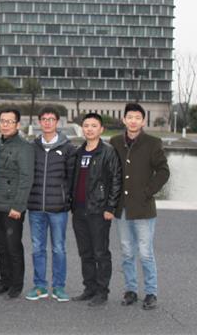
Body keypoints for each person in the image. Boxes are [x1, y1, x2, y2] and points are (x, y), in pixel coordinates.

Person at [110, 103, 169, 310]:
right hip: (122, 207)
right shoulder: (115, 142)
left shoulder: (153, 143)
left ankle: (151, 292)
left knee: (145, 253)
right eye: (130, 117)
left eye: (137, 117)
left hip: (143, 207)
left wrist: (147, 192)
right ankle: (131, 290)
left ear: (143, 121)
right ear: (124, 119)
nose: (133, 121)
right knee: (127, 252)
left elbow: (163, 172)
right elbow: (111, 171)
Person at [69, 113, 121, 306]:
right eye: (86, 125)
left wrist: (110, 207)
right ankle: (89, 288)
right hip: (79, 209)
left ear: (101, 129)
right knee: (85, 252)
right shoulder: (78, 152)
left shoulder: (108, 152)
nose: (89, 129)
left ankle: (102, 291)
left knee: (101, 252)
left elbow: (116, 180)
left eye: (93, 126)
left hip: (99, 210)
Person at [26, 106, 75, 302]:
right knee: (37, 248)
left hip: (58, 208)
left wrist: (66, 200)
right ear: (39, 122)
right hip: (35, 206)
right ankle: (40, 286)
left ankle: (59, 287)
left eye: (51, 119)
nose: (47, 123)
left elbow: (71, 178)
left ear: (57, 122)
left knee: (58, 249)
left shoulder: (68, 148)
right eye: (44, 119)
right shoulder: (32, 147)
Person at [0, 109, 34, 300]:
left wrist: (18, 206)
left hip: (12, 206)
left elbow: (26, 178)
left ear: (18, 125)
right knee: (0, 247)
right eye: (2, 121)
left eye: (9, 121)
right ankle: (4, 281)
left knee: (13, 247)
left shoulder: (24, 147)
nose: (5, 125)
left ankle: (16, 285)